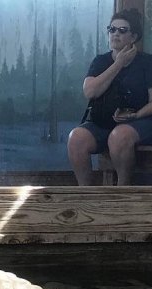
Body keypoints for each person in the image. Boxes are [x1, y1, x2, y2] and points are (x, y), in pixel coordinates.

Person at [68, 8, 152, 186]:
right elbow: (90, 92)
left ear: (134, 37)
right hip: (103, 121)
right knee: (76, 138)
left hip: (139, 121)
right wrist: (118, 63)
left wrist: (135, 116)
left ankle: (122, 192)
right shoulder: (101, 61)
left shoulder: (146, 62)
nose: (115, 34)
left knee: (119, 136)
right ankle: (87, 196)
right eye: (112, 29)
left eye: (122, 30)